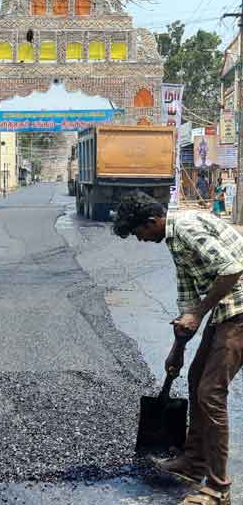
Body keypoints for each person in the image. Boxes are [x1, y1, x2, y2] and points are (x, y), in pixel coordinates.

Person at [112, 191, 243, 505]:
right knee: (197, 379)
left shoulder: (186, 228)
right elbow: (187, 302)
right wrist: (177, 351)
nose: (140, 240)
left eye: (138, 233)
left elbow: (233, 267)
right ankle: (193, 462)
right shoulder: (173, 240)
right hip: (225, 310)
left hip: (239, 311)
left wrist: (199, 313)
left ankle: (218, 487)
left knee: (210, 392)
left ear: (152, 222)